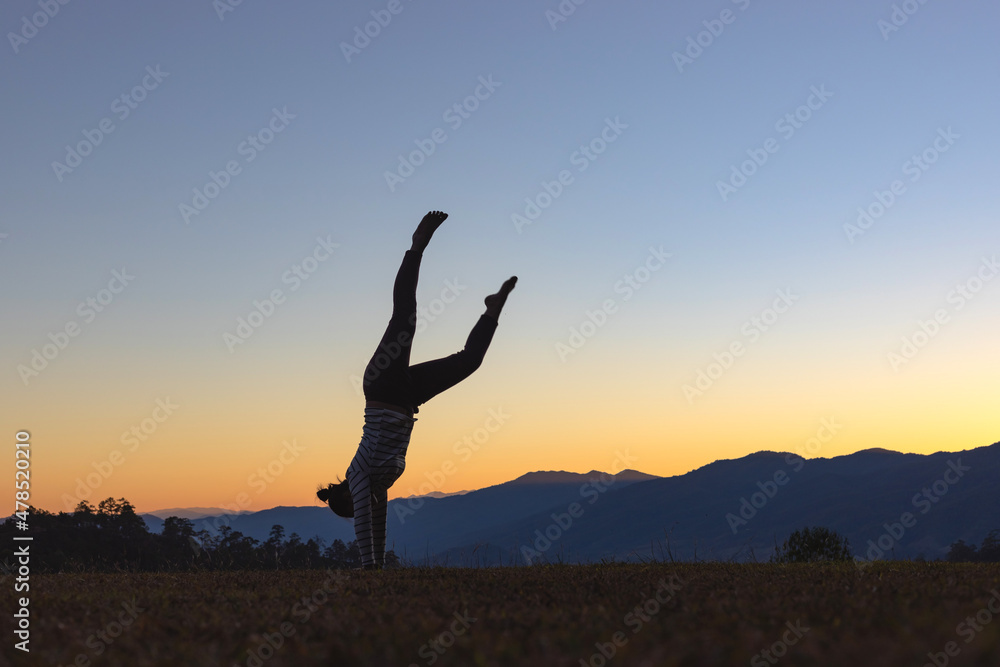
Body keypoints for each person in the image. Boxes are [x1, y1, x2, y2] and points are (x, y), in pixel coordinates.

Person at [317, 211, 517, 570]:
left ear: (349, 494)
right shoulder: (379, 483)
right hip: (406, 397)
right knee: (469, 361)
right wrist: (378, 566)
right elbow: (377, 522)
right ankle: (492, 310)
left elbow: (365, 523)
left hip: (382, 384)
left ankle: (416, 246)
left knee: (405, 316)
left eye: (354, 503)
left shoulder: (360, 476)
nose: (364, 504)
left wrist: (369, 568)